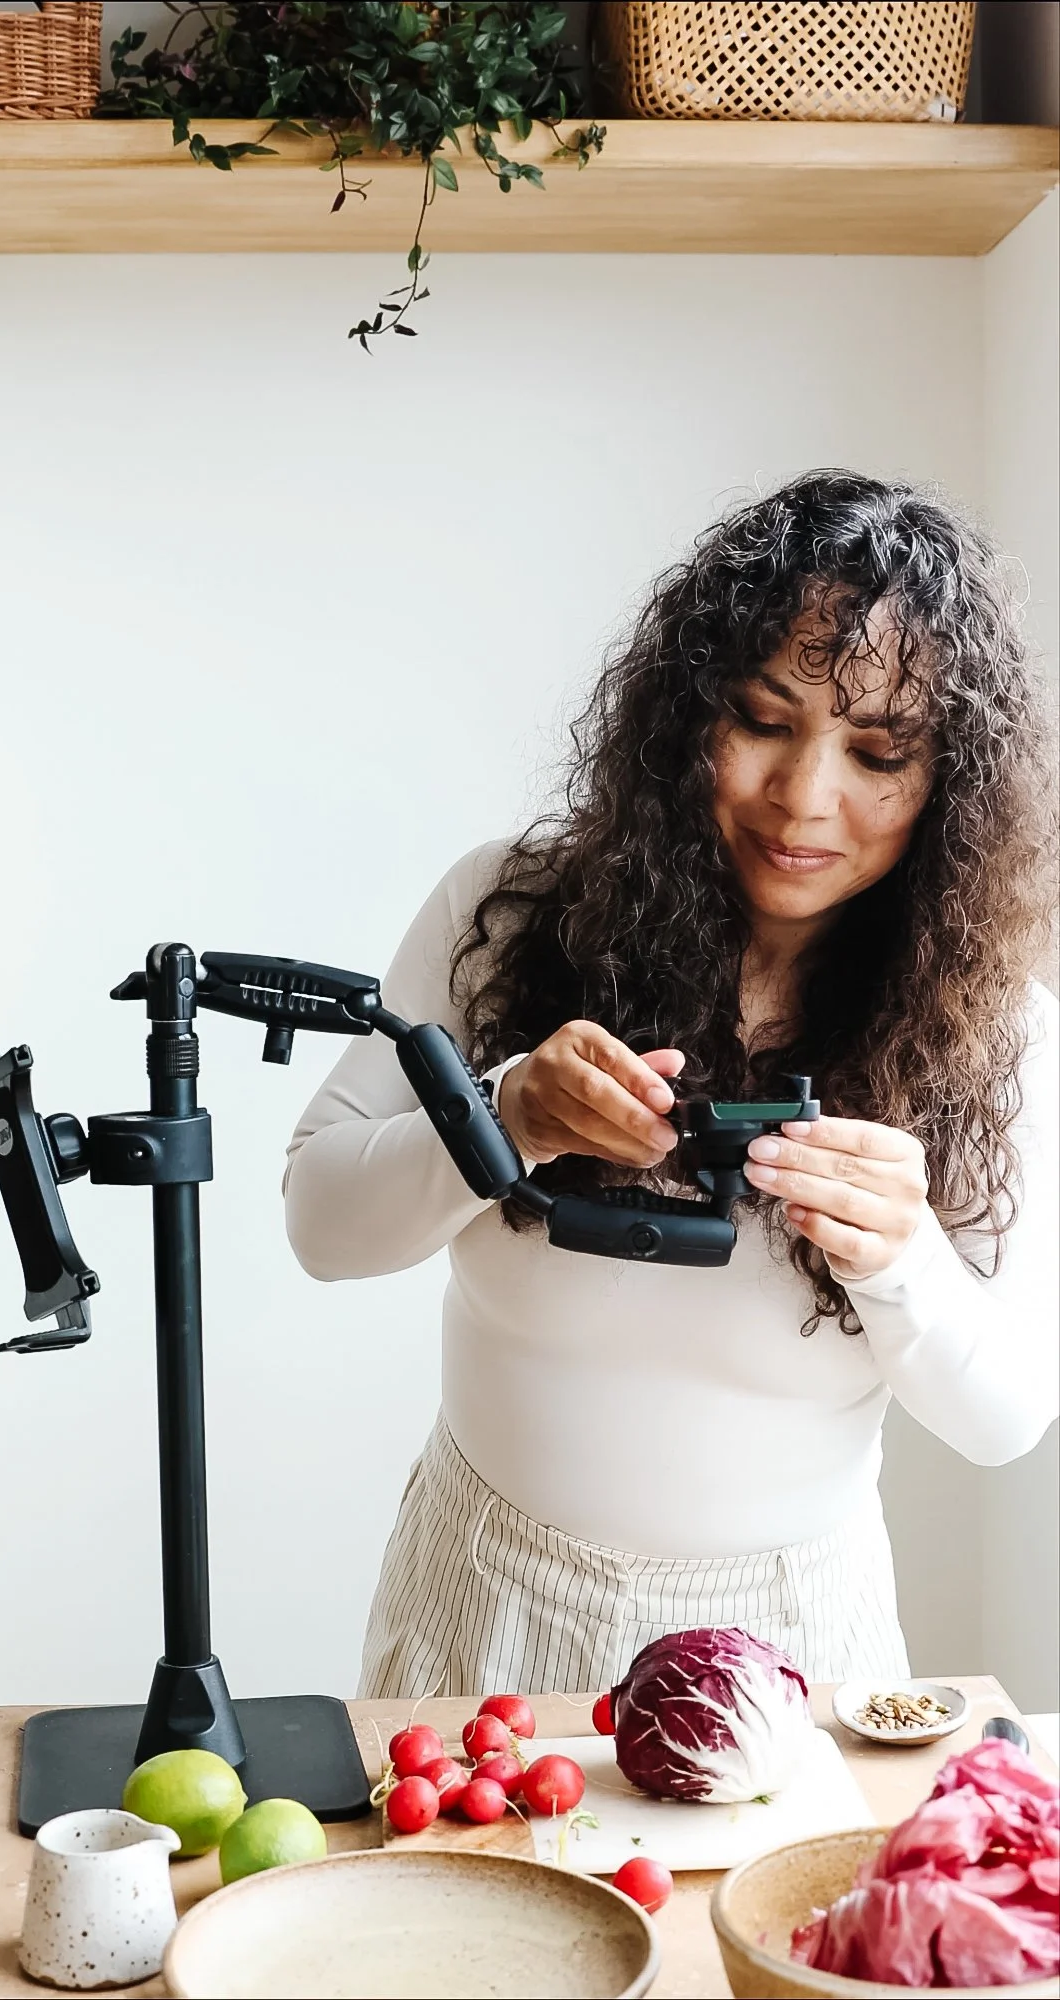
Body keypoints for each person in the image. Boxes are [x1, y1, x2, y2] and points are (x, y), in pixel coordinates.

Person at [284, 471, 1058, 1699]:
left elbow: (1008, 1416)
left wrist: (904, 1256)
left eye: (877, 751)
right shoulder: (509, 907)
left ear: (950, 779)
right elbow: (320, 1221)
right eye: (762, 718)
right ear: (685, 712)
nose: (805, 800)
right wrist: (505, 1117)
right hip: (484, 1607)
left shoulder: (993, 1026)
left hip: (801, 1643)